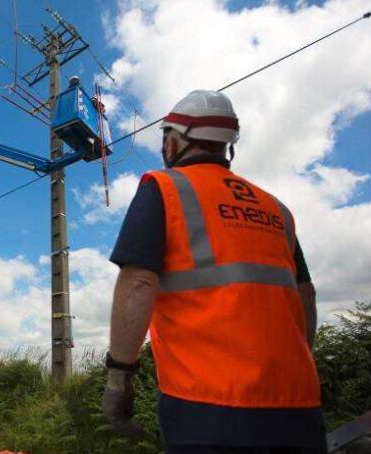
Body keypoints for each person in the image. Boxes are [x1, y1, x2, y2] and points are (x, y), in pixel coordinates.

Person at [102, 90, 326, 453]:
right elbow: (306, 295)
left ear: (174, 142)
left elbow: (138, 282)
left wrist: (119, 379)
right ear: (226, 146)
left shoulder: (165, 187)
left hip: (207, 404)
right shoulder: (277, 209)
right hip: (298, 401)